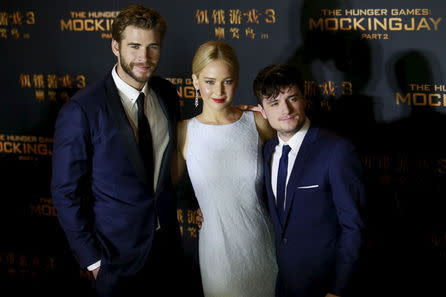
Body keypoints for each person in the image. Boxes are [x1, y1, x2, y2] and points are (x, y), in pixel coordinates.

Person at [51, 5, 182, 297]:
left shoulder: (167, 94)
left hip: (167, 250)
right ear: (115, 46)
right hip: (115, 258)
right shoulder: (83, 109)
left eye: (152, 47)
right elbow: (65, 192)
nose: (144, 58)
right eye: (134, 46)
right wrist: (93, 260)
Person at [172, 40, 278, 297]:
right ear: (195, 81)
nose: (218, 90)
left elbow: (290, 173)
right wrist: (204, 206)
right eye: (209, 81)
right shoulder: (184, 131)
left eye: (227, 81)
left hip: (262, 247)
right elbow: (166, 189)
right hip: (217, 256)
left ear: (237, 80)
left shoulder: (257, 122)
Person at [253, 64, 366, 297]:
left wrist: (337, 289)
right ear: (262, 112)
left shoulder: (336, 150)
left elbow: (353, 227)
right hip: (284, 284)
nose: (286, 109)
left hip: (326, 286)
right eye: (274, 103)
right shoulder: (267, 151)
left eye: (292, 98)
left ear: (303, 99)